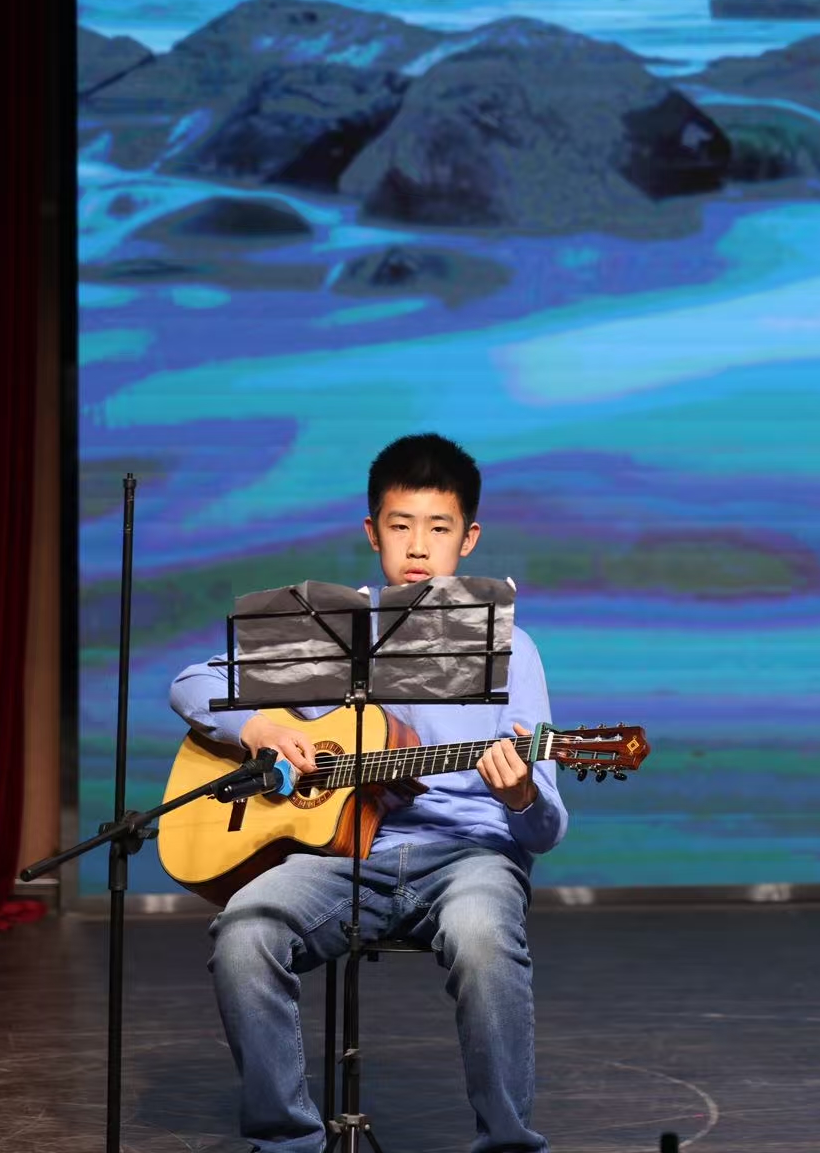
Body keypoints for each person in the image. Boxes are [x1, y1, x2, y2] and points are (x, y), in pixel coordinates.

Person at [171, 433, 568, 1153]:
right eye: (400, 524)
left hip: (469, 858)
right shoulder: (333, 632)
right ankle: (288, 1143)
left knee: (484, 935)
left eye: (439, 528)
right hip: (341, 854)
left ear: (469, 539)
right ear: (371, 532)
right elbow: (191, 683)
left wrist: (518, 798)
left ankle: (508, 1145)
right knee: (244, 932)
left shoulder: (512, 649)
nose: (418, 545)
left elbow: (543, 829)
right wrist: (260, 727)